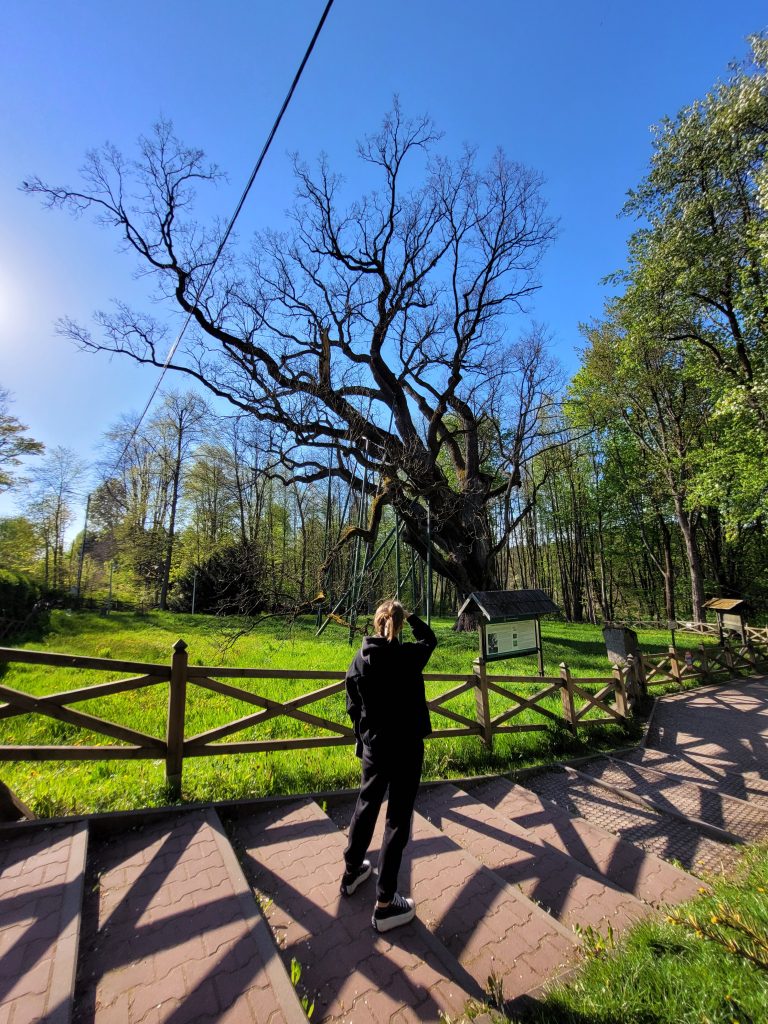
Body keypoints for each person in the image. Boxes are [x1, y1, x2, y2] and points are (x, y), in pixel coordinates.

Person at [340, 598, 437, 932]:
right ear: (398, 622)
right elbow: (430, 640)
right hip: (407, 747)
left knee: (365, 806)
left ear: (375, 622)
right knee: (397, 818)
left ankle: (352, 871)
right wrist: (411, 616)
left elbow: (351, 701)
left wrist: (365, 734)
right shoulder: (409, 657)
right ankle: (385, 902)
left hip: (376, 749)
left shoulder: (361, 658)